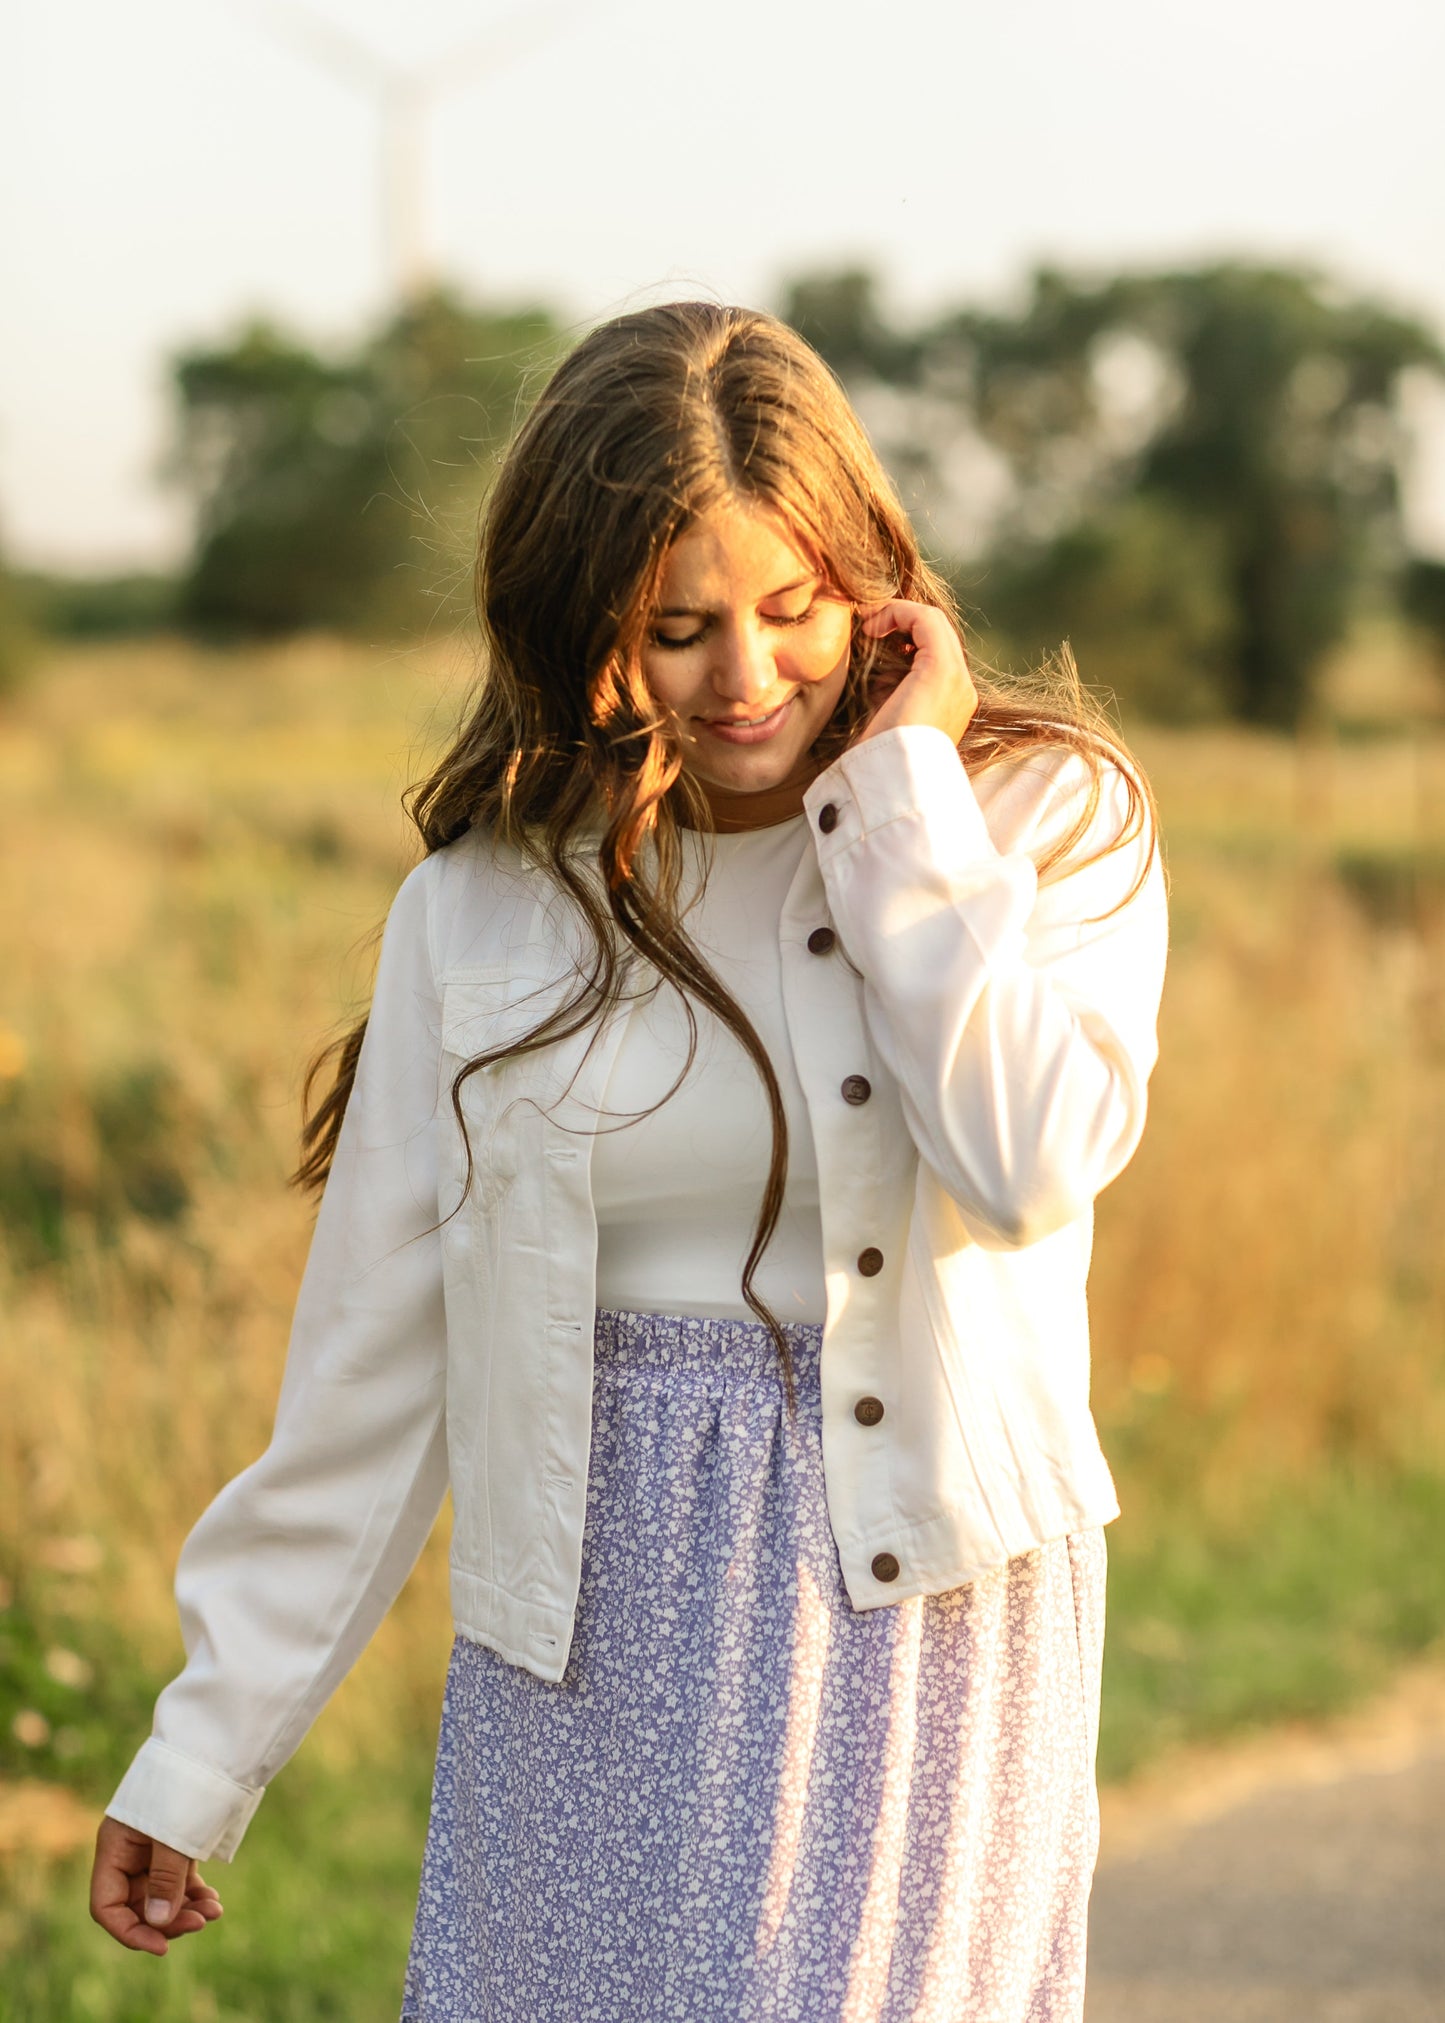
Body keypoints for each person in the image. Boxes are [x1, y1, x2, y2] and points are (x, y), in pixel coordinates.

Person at [90, 300, 1168, 2021]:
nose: (743, 678)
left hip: (912, 1608)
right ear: (581, 620)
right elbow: (373, 1358)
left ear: (871, 584)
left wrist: (897, 799)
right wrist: (202, 1750)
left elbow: (1027, 1160)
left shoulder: (1038, 825)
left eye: (791, 611)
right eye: (677, 628)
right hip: (588, 1627)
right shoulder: (484, 905)